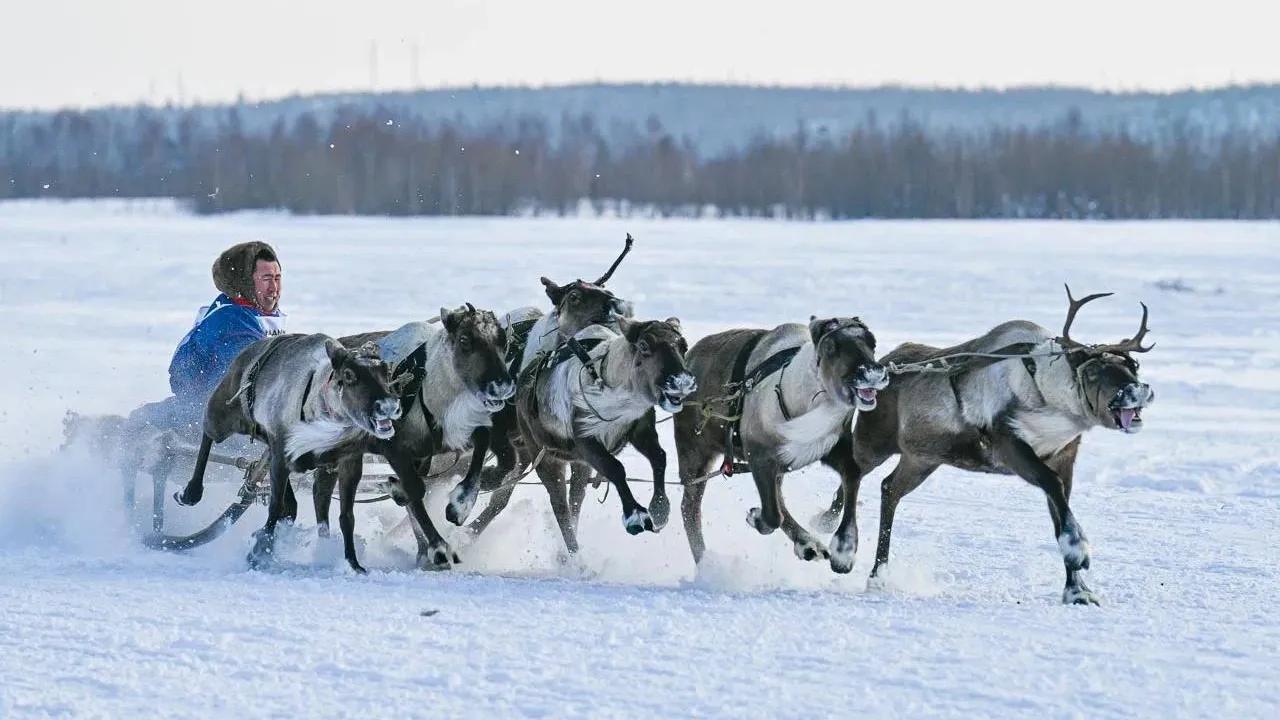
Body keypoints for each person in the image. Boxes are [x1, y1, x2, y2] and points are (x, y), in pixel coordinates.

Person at [127, 240, 288, 437]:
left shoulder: (257, 312)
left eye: (277, 278)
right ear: (246, 281)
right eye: (266, 279)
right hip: (204, 411)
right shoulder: (231, 320)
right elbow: (254, 371)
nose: (274, 288)